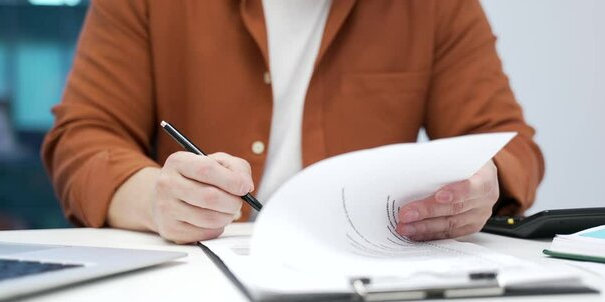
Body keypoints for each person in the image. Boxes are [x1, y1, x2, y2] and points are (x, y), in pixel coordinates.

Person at [42, 0, 544, 244]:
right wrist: (154, 199)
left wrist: (482, 186)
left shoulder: (435, 6)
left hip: (368, 286)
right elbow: (83, 138)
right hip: (188, 286)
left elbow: (510, 143)